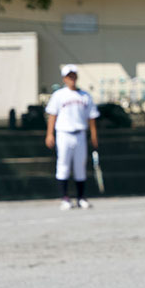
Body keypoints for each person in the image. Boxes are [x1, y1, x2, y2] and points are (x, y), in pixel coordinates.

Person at [45, 64, 100, 210]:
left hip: (80, 133)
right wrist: (49, 134)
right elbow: (52, 114)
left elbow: (92, 116)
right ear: (64, 78)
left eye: (74, 76)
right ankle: (65, 198)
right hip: (64, 133)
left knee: (80, 166)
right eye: (69, 76)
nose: (72, 79)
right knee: (63, 165)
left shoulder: (84, 95)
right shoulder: (59, 95)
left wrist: (94, 134)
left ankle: (81, 197)